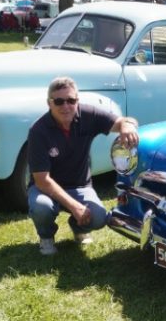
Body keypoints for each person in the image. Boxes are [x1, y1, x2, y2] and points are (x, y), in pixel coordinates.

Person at [27, 77, 139, 255]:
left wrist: (128, 126)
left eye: (71, 100)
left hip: (79, 186)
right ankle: (46, 237)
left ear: (77, 101)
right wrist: (75, 206)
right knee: (42, 207)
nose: (66, 106)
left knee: (99, 218)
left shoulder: (88, 115)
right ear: (49, 103)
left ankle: (78, 228)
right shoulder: (38, 131)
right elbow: (42, 180)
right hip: (45, 188)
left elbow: (123, 120)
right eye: (59, 101)